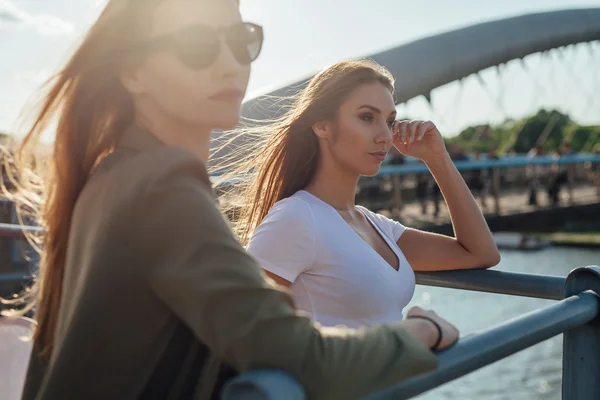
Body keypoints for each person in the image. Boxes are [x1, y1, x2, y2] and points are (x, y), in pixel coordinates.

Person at [6, 1, 460, 399]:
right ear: (133, 72)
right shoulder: (164, 189)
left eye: (240, 39)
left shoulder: (114, 171)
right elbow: (308, 362)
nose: (230, 64)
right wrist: (424, 330)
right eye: (197, 44)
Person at [233, 60, 500, 329]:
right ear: (322, 125)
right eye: (367, 117)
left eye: (390, 121)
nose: (385, 136)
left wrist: (437, 159)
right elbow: (240, 328)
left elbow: (479, 253)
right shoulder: (297, 217)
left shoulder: (374, 225)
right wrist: (421, 333)